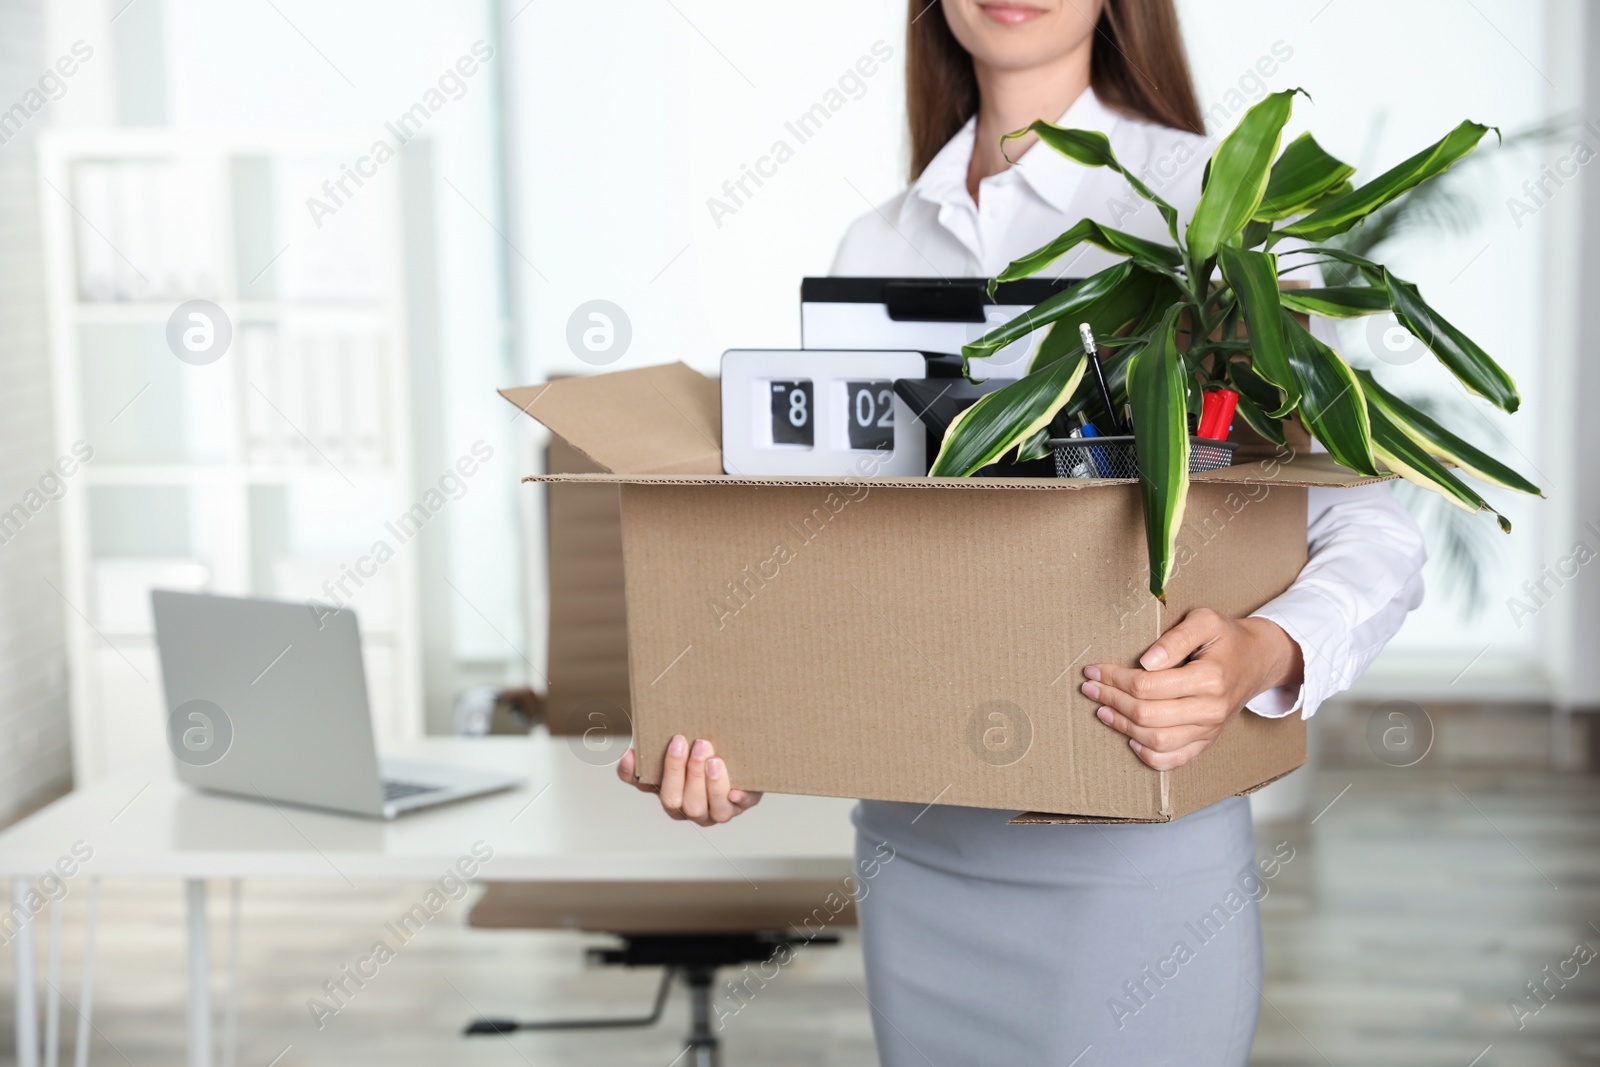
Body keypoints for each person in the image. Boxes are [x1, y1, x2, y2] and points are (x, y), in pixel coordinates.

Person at [616, 1, 1427, 1062]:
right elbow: (852, 558)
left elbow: (1372, 527)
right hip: (918, 858)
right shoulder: (880, 239)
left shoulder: (1210, 206)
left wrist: (1259, 655)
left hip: (1134, 853)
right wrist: (756, 726)